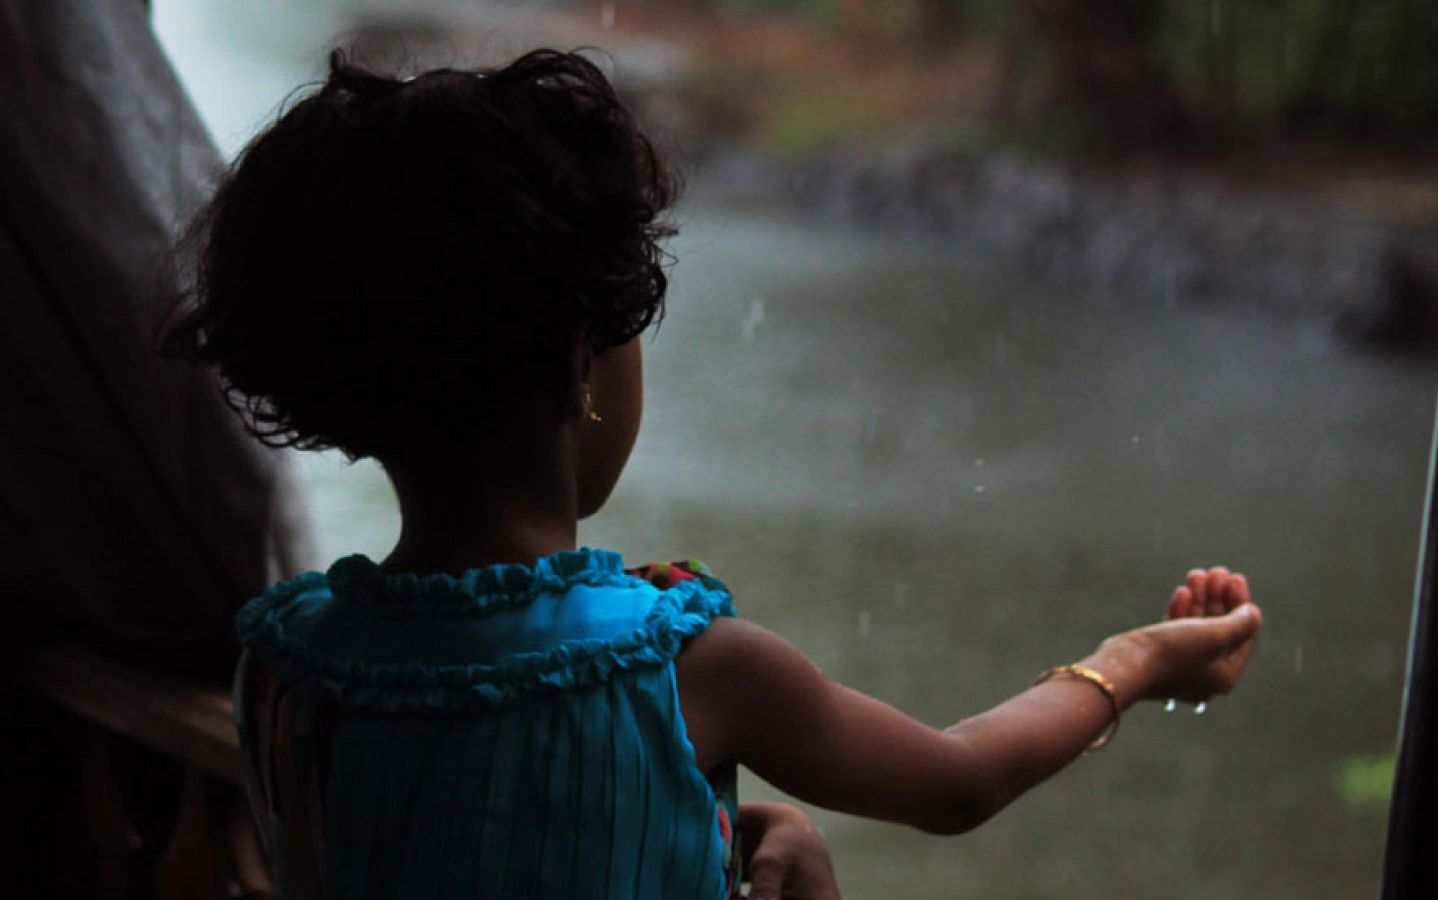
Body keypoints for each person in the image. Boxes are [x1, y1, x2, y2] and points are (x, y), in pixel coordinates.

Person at [167, 48, 1262, 899]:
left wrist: (724, 826)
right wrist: (1134, 660)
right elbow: (958, 779)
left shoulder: (290, 669)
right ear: (578, 363)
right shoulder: (688, 672)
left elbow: (462, 836)